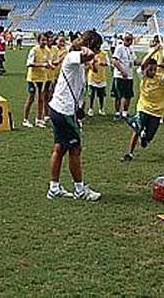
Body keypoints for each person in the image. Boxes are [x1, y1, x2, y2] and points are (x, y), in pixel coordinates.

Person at [47, 30, 103, 201]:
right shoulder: (72, 56)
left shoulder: (77, 60)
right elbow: (88, 55)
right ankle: (79, 189)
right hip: (63, 111)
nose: (99, 51)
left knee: (60, 148)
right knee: (75, 149)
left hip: (62, 109)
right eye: (98, 46)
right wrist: (87, 49)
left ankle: (54, 188)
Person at [121, 57, 164, 162]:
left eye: (155, 69)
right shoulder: (142, 76)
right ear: (146, 69)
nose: (153, 72)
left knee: (149, 137)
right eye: (150, 69)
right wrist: (154, 50)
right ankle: (130, 153)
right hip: (143, 108)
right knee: (137, 129)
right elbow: (143, 64)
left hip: (157, 112)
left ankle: (144, 137)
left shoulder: (161, 77)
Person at [22, 33, 52, 128]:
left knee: (41, 99)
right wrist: (42, 65)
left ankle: (39, 119)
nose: (44, 42)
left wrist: (51, 65)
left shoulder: (47, 51)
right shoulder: (34, 50)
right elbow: (29, 63)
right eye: (42, 40)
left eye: (45, 40)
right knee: (31, 98)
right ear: (38, 41)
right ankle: (25, 119)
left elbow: (48, 62)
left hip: (42, 77)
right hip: (33, 78)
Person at [111, 32, 140, 120]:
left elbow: (134, 61)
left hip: (129, 76)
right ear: (123, 39)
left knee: (128, 96)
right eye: (127, 39)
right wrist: (122, 71)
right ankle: (117, 113)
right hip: (119, 76)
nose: (129, 41)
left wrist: (145, 62)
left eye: (131, 40)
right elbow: (114, 61)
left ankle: (125, 113)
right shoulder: (119, 48)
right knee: (118, 96)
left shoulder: (131, 49)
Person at [87, 46, 110, 116]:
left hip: (101, 77)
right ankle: (90, 109)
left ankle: (101, 108)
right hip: (92, 77)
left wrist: (103, 63)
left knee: (101, 95)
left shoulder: (104, 54)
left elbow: (108, 63)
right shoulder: (91, 54)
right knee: (92, 94)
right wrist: (93, 63)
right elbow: (88, 63)